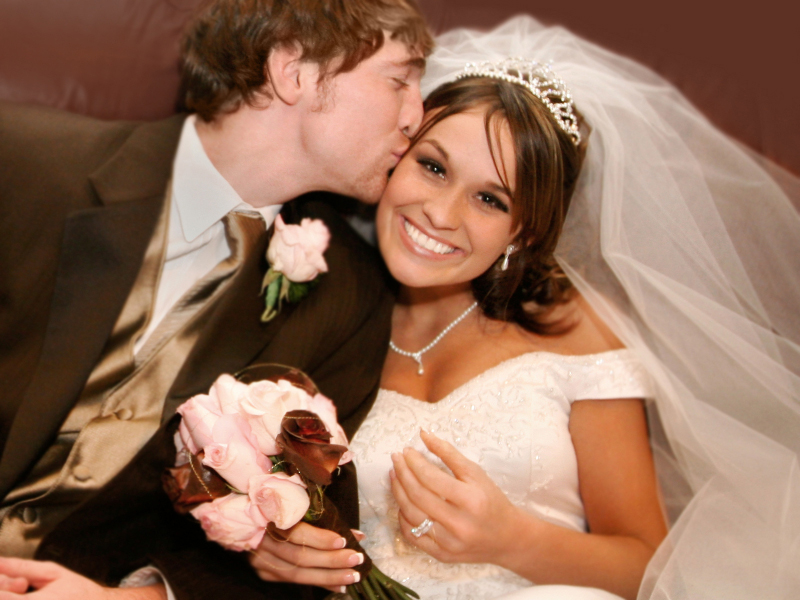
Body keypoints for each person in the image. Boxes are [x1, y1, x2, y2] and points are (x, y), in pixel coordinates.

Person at [260, 15, 800, 600]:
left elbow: (647, 565)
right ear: (397, 156)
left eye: (490, 199)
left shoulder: (574, 330)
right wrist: (273, 545)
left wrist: (510, 540)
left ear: (525, 232)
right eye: (433, 166)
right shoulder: (323, 310)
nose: (442, 214)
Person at [0, 1, 432, 598]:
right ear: (294, 71)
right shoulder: (22, 164)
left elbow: (294, 552)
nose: (418, 116)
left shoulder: (350, 299)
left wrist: (134, 597)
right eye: (400, 80)